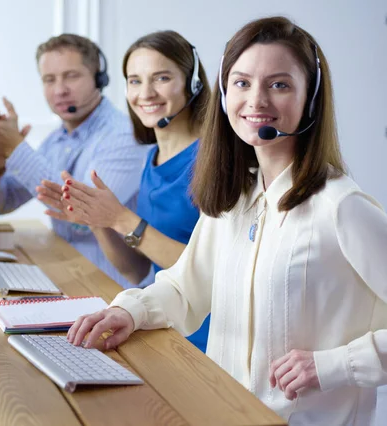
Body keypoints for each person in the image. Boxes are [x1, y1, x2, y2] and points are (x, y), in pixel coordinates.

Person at [66, 16, 387, 425]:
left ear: (311, 97)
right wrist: (130, 312)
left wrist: (334, 366)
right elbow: (186, 286)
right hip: (222, 411)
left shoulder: (342, 207)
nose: (256, 101)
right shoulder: (237, 198)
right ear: (223, 94)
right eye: (242, 83)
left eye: (279, 84)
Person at [36, 31, 212, 353]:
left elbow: (207, 271)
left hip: (204, 339)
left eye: (161, 78)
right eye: (134, 81)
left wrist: (120, 217)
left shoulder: (212, 162)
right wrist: (97, 221)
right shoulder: (151, 158)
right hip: (160, 324)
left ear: (192, 83)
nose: (145, 93)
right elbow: (138, 269)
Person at [0, 34, 150, 289]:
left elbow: (85, 218)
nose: (59, 90)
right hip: (71, 277)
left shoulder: (124, 134)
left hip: (116, 290)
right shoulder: (55, 141)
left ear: (99, 79)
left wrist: (14, 147)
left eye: (71, 76)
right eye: (49, 79)